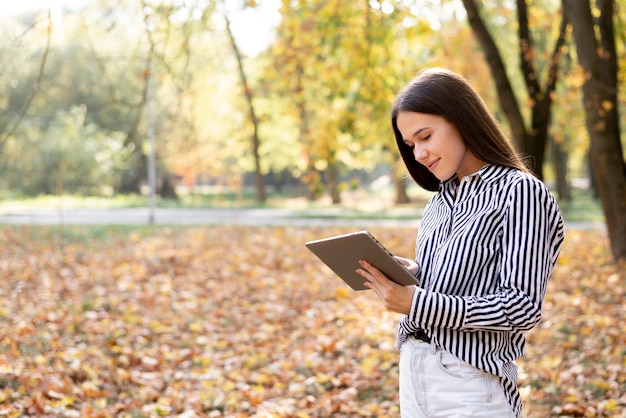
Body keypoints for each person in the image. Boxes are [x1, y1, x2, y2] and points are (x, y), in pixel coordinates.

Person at [356, 68, 564, 417]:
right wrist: (415, 274)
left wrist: (416, 302)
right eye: (411, 145)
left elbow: (522, 306)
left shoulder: (521, 192)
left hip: (469, 382)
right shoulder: (440, 199)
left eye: (425, 137)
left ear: (461, 119)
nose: (419, 154)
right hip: (414, 370)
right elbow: (460, 282)